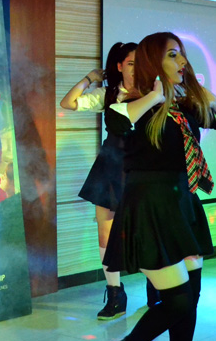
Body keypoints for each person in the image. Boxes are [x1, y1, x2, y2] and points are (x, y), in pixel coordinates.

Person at [102, 32, 216, 341]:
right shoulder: (132, 104)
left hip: (182, 205)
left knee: (191, 297)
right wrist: (157, 93)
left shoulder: (184, 105)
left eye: (183, 55)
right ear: (152, 62)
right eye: (173, 55)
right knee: (178, 300)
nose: (182, 61)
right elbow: (118, 121)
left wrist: (199, 91)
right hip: (149, 210)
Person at [60, 42, 161, 320]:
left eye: (141, 63)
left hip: (144, 170)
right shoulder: (108, 94)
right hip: (111, 167)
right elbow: (67, 103)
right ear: (119, 66)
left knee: (146, 232)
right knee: (105, 233)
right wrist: (90, 78)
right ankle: (115, 293)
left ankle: (157, 284)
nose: (136, 69)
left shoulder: (156, 94)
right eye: (130, 63)